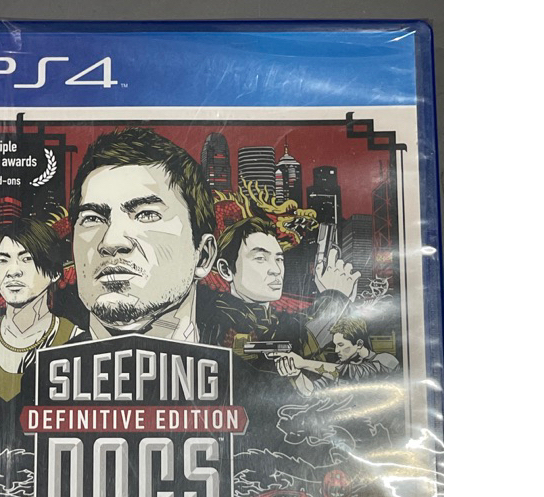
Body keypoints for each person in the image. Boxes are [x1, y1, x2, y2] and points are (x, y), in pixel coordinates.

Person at [69, 127, 218, 342]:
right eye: (92, 218)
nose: (111, 242)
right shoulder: (41, 365)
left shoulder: (236, 364)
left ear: (203, 255)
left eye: (147, 215)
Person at [209, 215, 360, 366]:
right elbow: (263, 372)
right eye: (260, 258)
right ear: (226, 270)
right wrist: (336, 299)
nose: (276, 270)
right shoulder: (219, 321)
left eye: (279, 259)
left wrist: (340, 302)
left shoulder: (278, 320)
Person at [0, 219, 79, 402]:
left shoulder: (77, 340)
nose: (13, 271)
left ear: (54, 273)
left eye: (26, 259)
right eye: (3, 260)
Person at [275, 316, 399, 395]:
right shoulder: (338, 366)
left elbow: (352, 373)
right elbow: (312, 391)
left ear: (359, 344)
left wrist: (303, 363)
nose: (336, 350)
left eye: (340, 345)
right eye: (335, 345)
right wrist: (296, 374)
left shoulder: (387, 360)